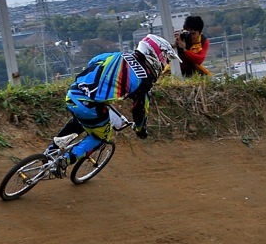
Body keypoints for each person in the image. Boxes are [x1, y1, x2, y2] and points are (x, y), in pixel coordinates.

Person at [48, 35, 178, 169]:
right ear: (156, 56)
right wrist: (140, 130)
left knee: (80, 121)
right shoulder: (144, 81)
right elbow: (139, 110)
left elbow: (93, 61)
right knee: (101, 136)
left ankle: (50, 151)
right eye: (165, 59)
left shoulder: (119, 55)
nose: (165, 64)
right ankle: (65, 160)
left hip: (74, 92)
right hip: (90, 106)